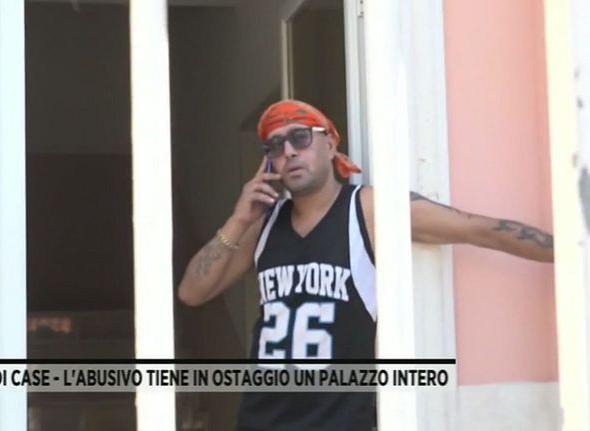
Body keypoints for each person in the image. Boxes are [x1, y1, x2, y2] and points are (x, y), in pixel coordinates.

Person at [176, 99, 554, 430]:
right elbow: (192, 292)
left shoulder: (368, 209)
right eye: (275, 145)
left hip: (338, 422)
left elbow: (479, 229)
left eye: (300, 137)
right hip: (261, 421)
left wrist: (569, 252)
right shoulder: (263, 223)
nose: (288, 151)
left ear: (330, 143)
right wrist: (237, 220)